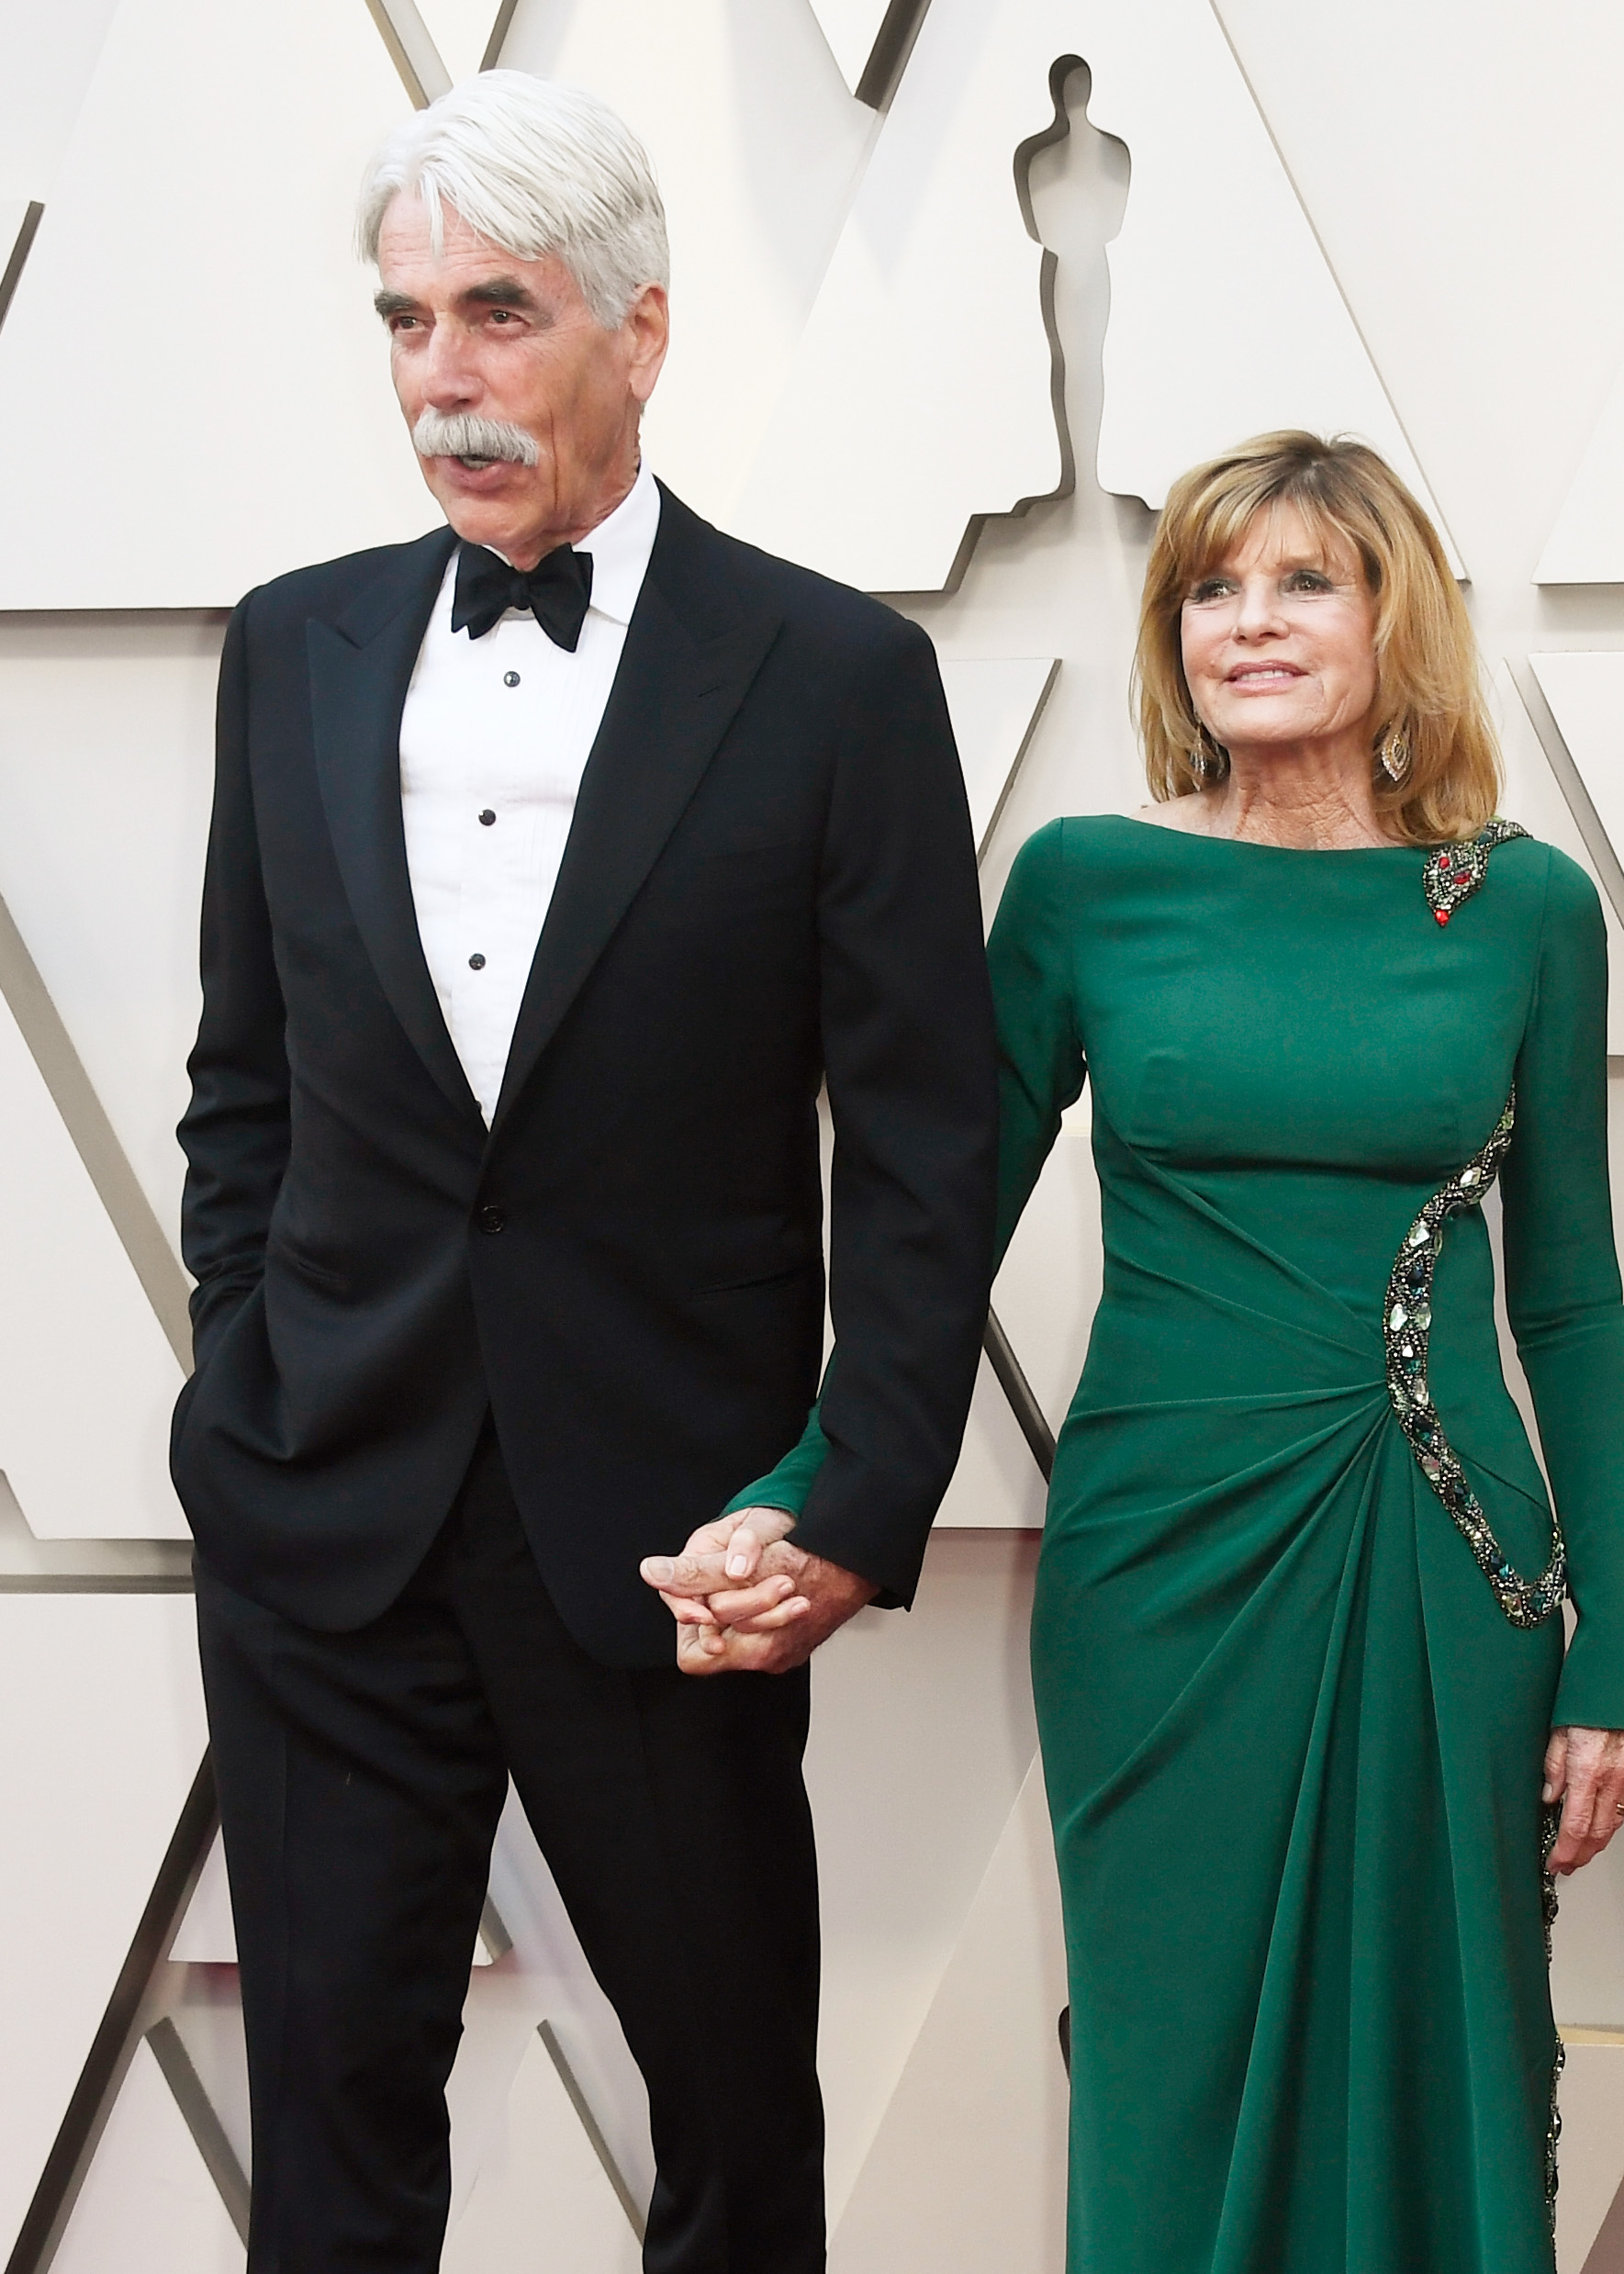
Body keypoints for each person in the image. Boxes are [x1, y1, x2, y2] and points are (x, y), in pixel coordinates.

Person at [660, 430, 1624, 2274]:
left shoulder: (1524, 905)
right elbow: (932, 1232)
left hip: (1444, 1566)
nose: (1247, 623)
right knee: (1163, 2059)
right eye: (1209, 586)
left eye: (1300, 582)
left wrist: (1621, 1653)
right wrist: (806, 1478)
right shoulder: (1082, 885)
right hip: (1160, 1565)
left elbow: (1574, 1299)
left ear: (1393, 619)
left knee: (1444, 2054)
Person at [173, 70, 996, 2271]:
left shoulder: (834, 678)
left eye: (499, 314)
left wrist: (846, 1504)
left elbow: (926, 1139)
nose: (444, 377)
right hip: (323, 1519)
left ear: (640, 328)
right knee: (333, 2144)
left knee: (732, 2128)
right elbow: (242, 1088)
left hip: (670, 1543)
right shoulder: (293, 646)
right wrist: (234, 1394)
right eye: (407, 319)